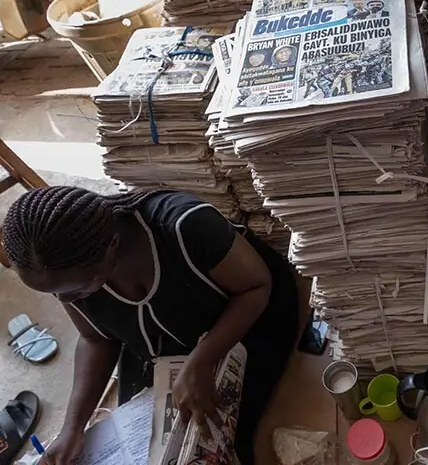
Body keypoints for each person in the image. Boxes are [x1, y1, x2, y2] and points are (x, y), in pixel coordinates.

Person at [1, 187, 300, 465]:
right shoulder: (68, 273)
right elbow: (95, 339)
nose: (65, 299)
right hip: (159, 342)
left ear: (112, 245)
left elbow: (256, 286)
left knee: (223, 435)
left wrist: (202, 360)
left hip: (242, 315)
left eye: (75, 291)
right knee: (147, 448)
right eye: (57, 293)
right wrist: (73, 426)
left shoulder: (183, 226)